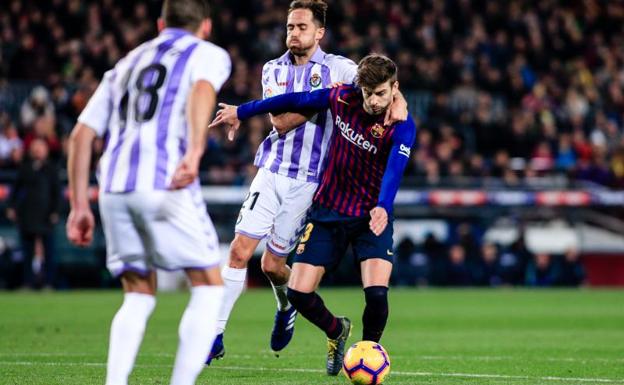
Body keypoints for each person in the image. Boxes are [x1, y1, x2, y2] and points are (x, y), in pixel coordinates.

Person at [209, 0, 407, 363]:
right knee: (239, 249)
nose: (293, 34)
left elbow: (378, 84)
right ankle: (215, 334)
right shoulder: (273, 69)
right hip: (272, 169)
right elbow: (280, 122)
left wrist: (398, 102)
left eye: (301, 27)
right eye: (289, 27)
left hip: (311, 181)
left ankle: (286, 308)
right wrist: (329, 99)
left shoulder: (341, 68)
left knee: (272, 266)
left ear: (319, 33)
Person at [65, 1, 231, 384]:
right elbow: (202, 90)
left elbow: (81, 136)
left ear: (160, 24)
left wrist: (79, 206)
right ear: (205, 26)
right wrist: (194, 151)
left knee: (138, 293)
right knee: (208, 287)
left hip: (113, 188)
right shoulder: (207, 53)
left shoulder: (126, 63)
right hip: (163, 182)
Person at [7, 138, 60, 289]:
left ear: (46, 150)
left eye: (41, 148)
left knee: (49, 252)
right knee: (27, 252)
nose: (38, 151)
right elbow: (15, 190)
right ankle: (28, 282)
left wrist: (55, 211)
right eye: (35, 148)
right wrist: (11, 207)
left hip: (46, 215)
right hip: (28, 215)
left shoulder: (51, 168)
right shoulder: (25, 168)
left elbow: (57, 193)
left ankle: (49, 283)